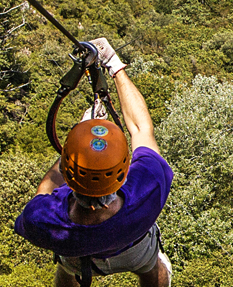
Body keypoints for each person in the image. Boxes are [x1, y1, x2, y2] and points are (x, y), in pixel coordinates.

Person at [14, 38, 173, 287]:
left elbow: (43, 194)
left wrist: (77, 147)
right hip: (133, 247)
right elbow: (142, 129)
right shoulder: (146, 190)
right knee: (151, 266)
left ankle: (69, 273)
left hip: (77, 256)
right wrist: (114, 65)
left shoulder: (43, 221)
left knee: (66, 269)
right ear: (124, 172)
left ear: (67, 170)